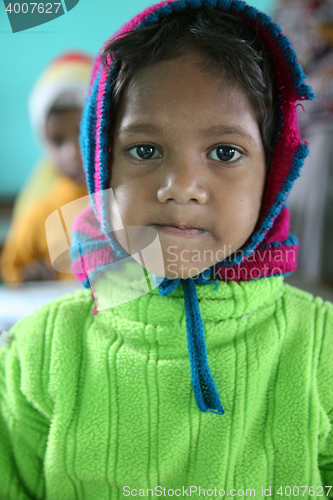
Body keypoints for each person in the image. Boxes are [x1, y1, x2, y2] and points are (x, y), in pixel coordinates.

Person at [0, 0, 332, 498]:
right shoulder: (39, 353)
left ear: (273, 176)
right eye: (145, 150)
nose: (181, 187)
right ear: (101, 167)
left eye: (225, 152)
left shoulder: (321, 348)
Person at [0, 52, 92, 283]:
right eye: (57, 141)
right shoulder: (39, 213)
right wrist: (26, 276)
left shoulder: (129, 200)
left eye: (83, 133)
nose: (72, 153)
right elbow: (10, 268)